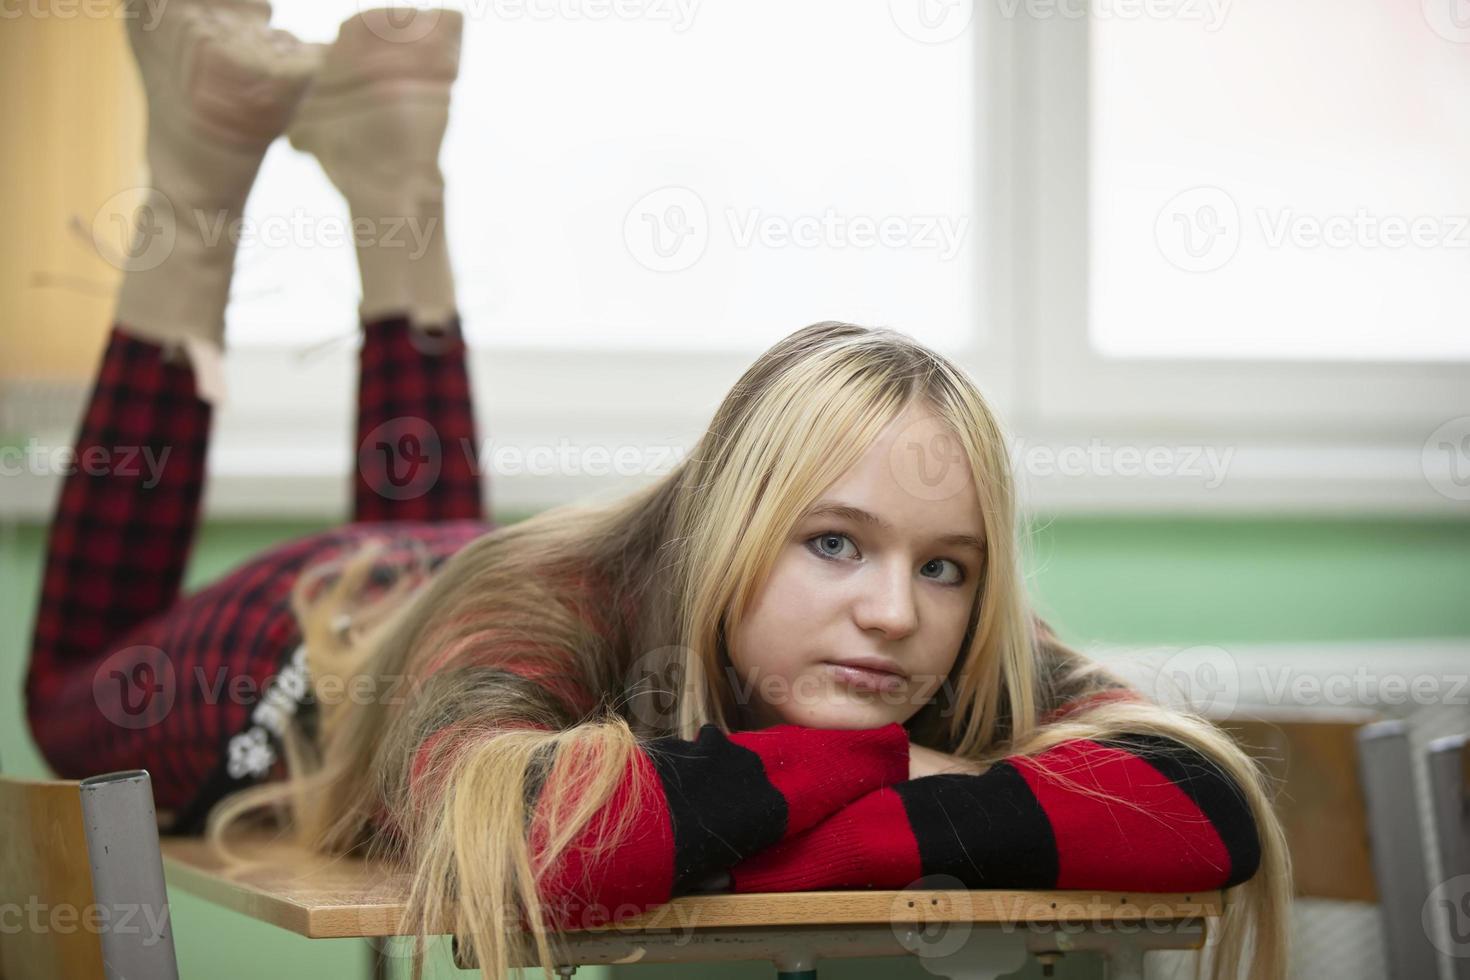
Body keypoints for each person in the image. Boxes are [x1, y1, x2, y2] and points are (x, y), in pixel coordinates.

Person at [24, 4, 1291, 979]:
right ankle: (195, 182)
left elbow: (1202, 799)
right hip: (308, 648)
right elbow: (522, 837)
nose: (898, 610)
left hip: (454, 566)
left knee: (444, 531)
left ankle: (390, 165)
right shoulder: (549, 597)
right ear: (727, 526)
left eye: (946, 563)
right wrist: (894, 766)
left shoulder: (918, 633)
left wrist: (867, 791)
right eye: (834, 542)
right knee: (62, 702)